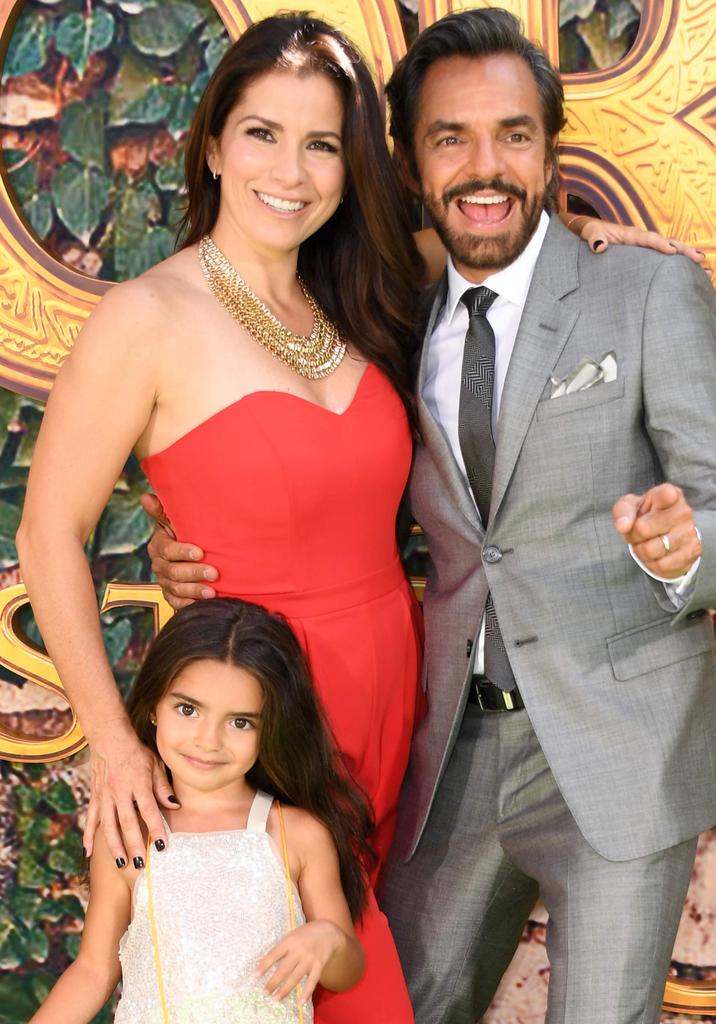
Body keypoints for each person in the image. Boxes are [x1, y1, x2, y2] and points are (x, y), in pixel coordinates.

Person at [17, 14, 424, 1021]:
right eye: (261, 133)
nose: (291, 169)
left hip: (384, 719)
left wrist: (589, 236)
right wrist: (115, 743)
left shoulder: (364, 297)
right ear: (210, 145)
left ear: (351, 163)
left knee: (315, 967)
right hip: (261, 729)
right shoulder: (147, 317)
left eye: (321, 142)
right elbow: (46, 535)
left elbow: (496, 248)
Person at [370, 9, 716, 1024]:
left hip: (616, 747)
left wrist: (687, 551)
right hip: (449, 760)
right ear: (413, 165)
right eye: (449, 137)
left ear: (549, 149)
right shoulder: (386, 313)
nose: (485, 165)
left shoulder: (645, 288)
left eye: (513, 133)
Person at [29, 598, 368, 1024]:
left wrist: (330, 939)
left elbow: (346, 971)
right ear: (154, 705)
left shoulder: (295, 834)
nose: (208, 740)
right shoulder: (127, 834)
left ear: (272, 727)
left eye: (240, 722)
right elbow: (94, 971)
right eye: (187, 710)